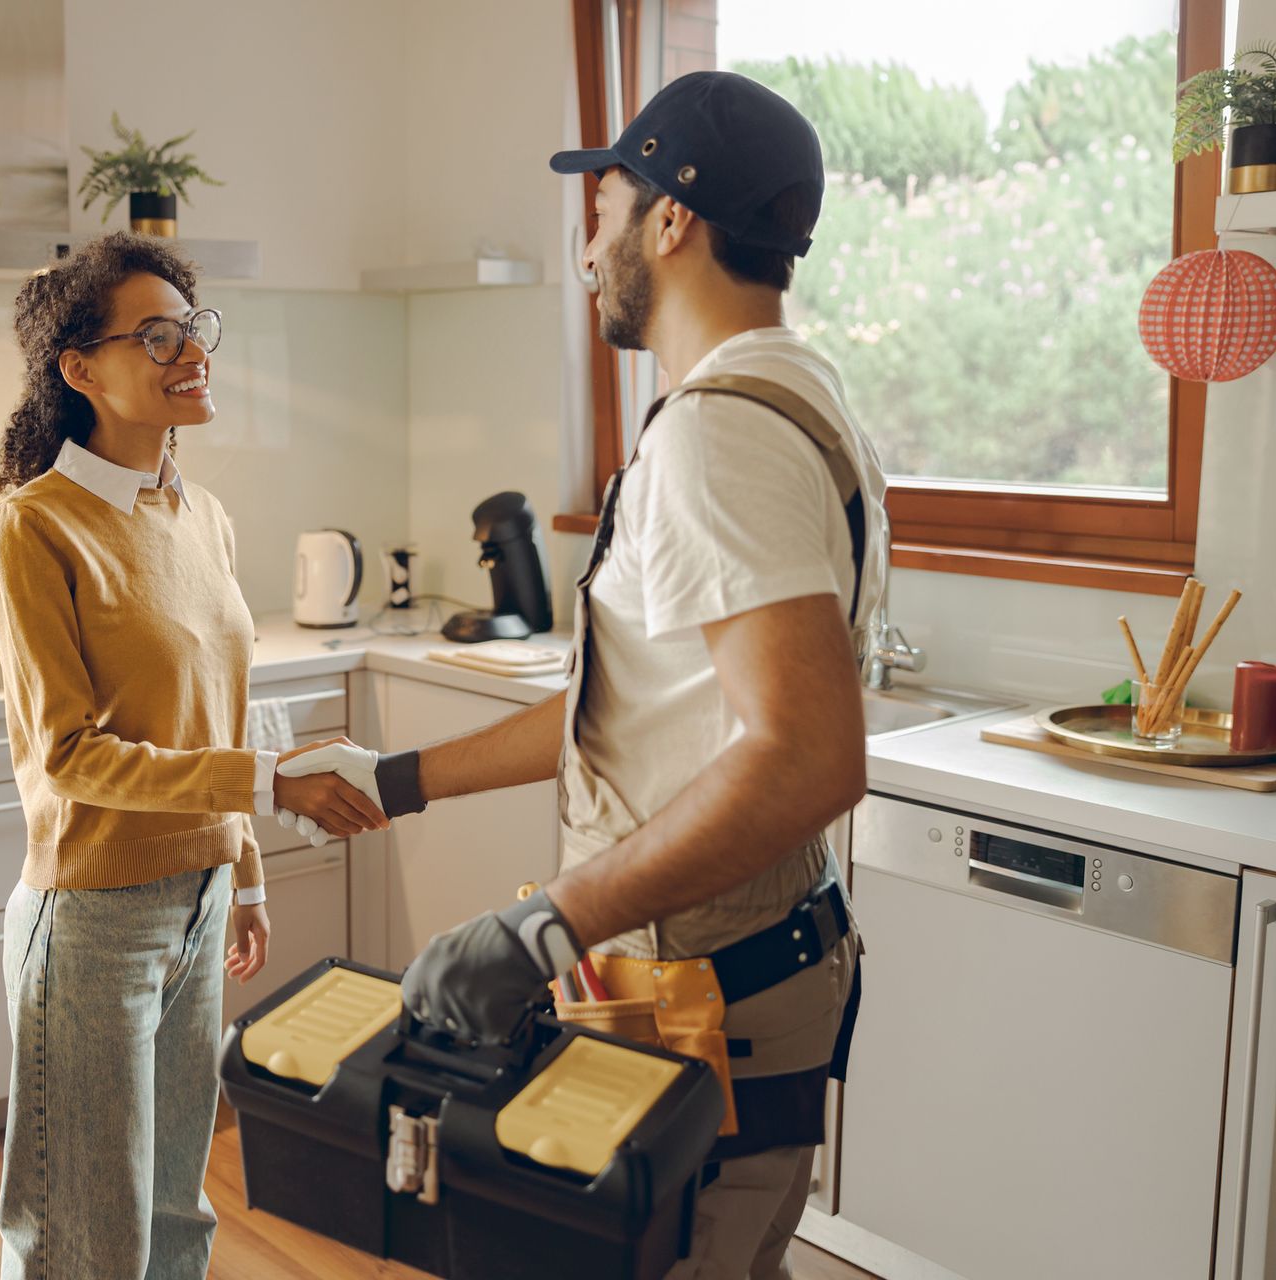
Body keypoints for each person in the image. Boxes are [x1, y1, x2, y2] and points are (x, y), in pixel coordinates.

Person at [279, 72, 889, 1278]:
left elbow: (810, 753)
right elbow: (640, 714)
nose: (588, 246)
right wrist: (396, 778)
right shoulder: (803, 392)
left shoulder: (717, 433)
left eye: (605, 206)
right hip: (755, 960)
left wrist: (545, 926)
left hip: (707, 979)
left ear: (673, 220)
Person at [0, 231, 387, 1280]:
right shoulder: (37, 528)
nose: (189, 350)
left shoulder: (201, 514)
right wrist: (268, 787)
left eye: (193, 327)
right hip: (93, 920)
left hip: (202, 897)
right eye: (154, 335)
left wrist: (242, 868)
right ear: (80, 370)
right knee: (84, 1229)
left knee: (175, 1209)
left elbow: (228, 709)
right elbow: (71, 754)